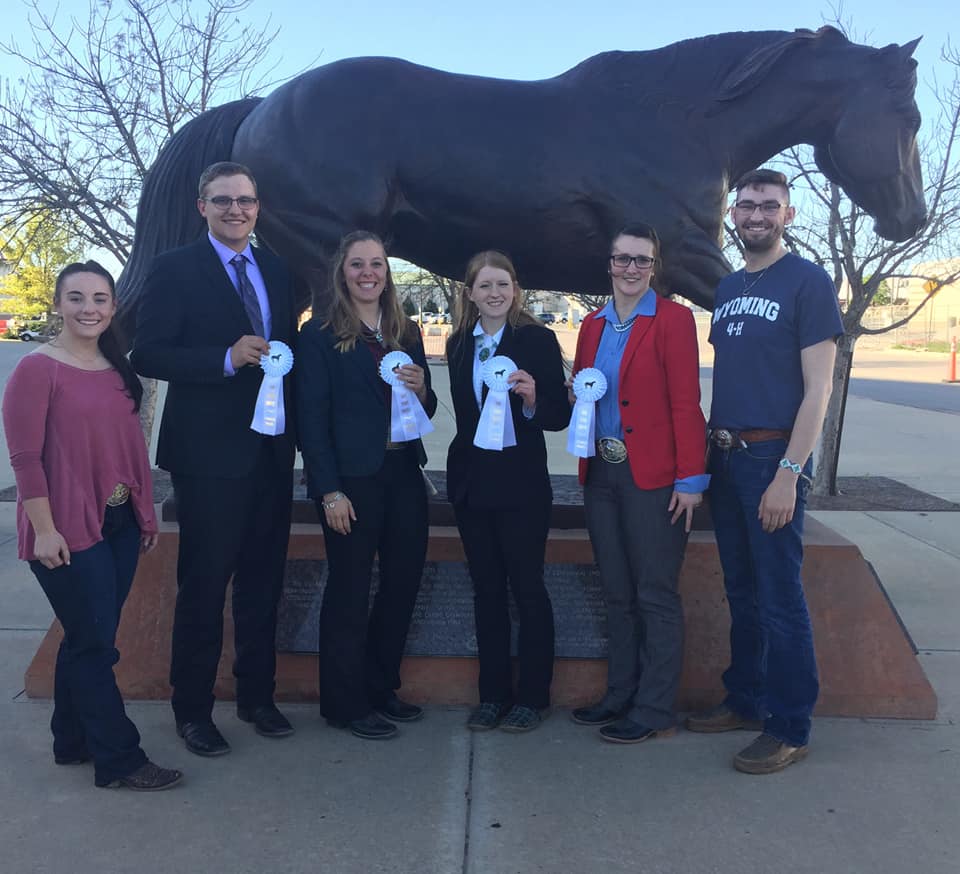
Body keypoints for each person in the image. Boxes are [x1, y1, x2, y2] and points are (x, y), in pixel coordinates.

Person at [132, 161, 299, 757]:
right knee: (204, 585)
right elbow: (147, 351)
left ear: (259, 207)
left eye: (246, 200)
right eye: (223, 200)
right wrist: (224, 359)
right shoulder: (174, 269)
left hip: (272, 453)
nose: (236, 210)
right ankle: (193, 709)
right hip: (207, 458)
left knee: (263, 581)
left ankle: (257, 696)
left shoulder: (277, 271)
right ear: (202, 206)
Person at [2, 261, 182, 791]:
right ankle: (120, 759)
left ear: (113, 307)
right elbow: (25, 458)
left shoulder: (115, 367)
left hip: (120, 520)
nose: (89, 308)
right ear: (58, 304)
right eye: (76, 298)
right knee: (95, 644)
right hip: (63, 526)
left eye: (100, 298)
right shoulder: (38, 369)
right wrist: (46, 530)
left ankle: (71, 739)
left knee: (87, 637)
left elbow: (129, 450)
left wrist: (143, 512)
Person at [685, 169, 842, 775]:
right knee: (742, 592)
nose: (756, 214)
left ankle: (789, 724)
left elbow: (818, 389)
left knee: (780, 598)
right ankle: (745, 699)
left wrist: (789, 471)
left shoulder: (808, 282)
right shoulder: (726, 288)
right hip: (725, 458)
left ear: (788, 215)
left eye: (768, 205)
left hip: (771, 459)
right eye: (746, 205)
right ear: (733, 214)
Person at [296, 230, 438, 740]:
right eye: (357, 264)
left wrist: (423, 390)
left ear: (387, 272)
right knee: (350, 591)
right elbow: (310, 421)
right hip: (350, 482)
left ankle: (381, 687)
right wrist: (328, 490)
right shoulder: (318, 335)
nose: (368, 273)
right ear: (343, 272)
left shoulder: (407, 331)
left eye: (376, 264)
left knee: (401, 585)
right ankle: (344, 702)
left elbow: (428, 410)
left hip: (403, 474)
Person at [570, 223, 708, 744]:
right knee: (617, 592)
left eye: (641, 261)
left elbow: (685, 404)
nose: (631, 269)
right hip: (601, 473)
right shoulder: (591, 326)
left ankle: (653, 708)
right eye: (622, 258)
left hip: (654, 477)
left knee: (654, 593)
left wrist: (691, 480)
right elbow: (591, 393)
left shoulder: (672, 321)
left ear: (654, 267)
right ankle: (619, 693)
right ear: (608, 263)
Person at [445, 251, 569, 733]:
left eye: (503, 284)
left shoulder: (537, 340)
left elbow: (558, 416)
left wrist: (536, 398)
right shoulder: (458, 344)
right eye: (485, 286)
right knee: (487, 592)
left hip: (521, 486)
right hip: (472, 485)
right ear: (471, 293)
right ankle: (492, 694)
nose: (495, 293)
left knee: (528, 589)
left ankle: (533, 697)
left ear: (515, 289)